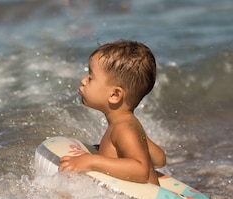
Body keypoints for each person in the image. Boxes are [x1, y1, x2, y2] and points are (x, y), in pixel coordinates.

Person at [59, 40, 166, 185]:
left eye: (91, 78)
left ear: (115, 95)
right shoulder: (128, 124)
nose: (83, 80)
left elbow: (141, 171)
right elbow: (159, 158)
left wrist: (91, 161)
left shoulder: (123, 128)